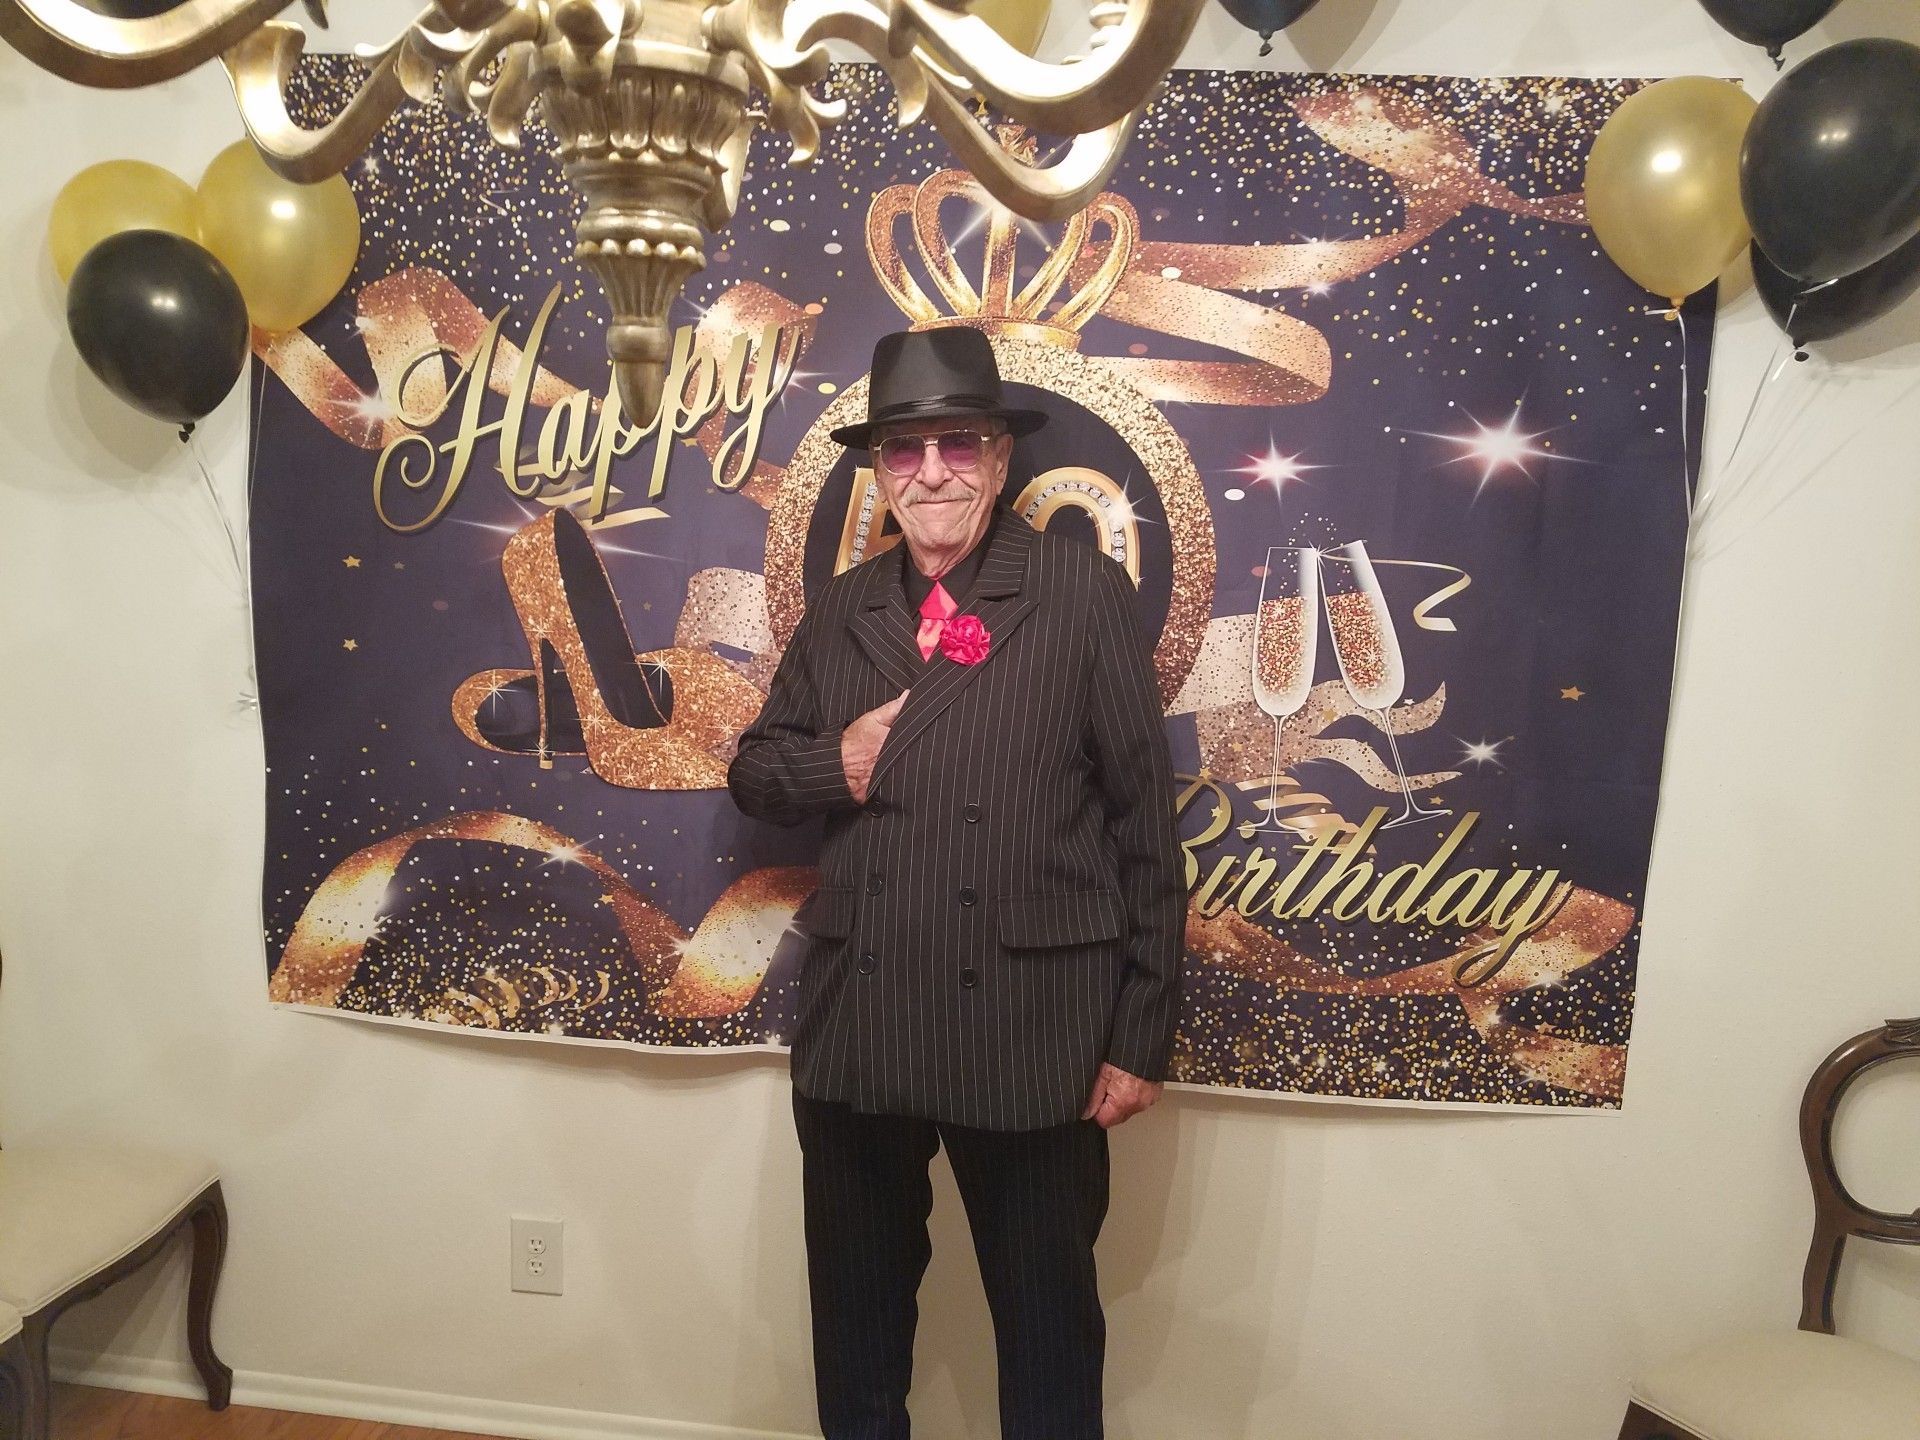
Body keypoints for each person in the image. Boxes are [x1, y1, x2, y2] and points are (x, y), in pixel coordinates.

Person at [728, 326, 1183, 1439]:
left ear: (1000, 456)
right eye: (903, 449)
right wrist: (835, 760)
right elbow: (751, 771)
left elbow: (1145, 826)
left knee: (1047, 1336)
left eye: (957, 445)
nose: (930, 471)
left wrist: (1141, 1032)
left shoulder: (1076, 589)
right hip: (863, 1024)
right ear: (878, 469)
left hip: (1034, 1033)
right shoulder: (842, 610)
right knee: (858, 1330)